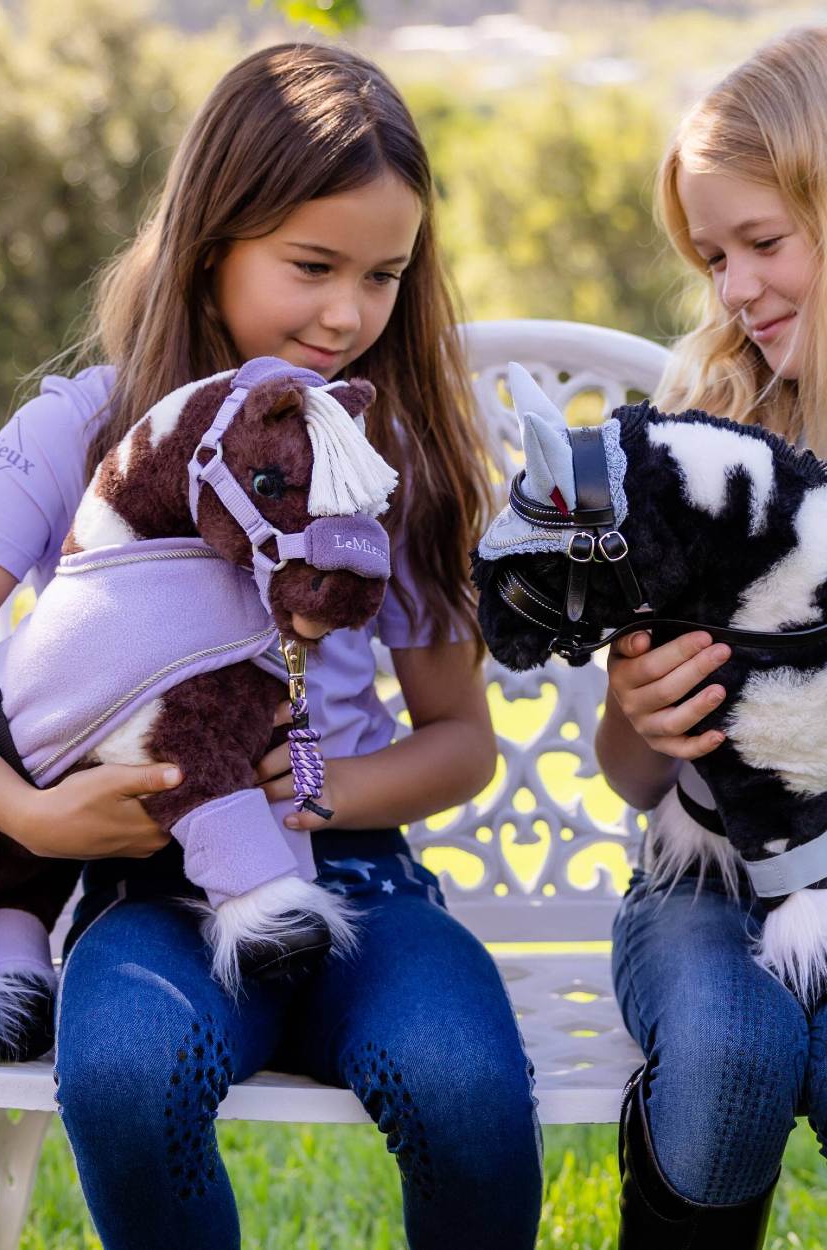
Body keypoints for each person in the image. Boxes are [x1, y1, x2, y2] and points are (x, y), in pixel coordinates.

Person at [0, 43, 543, 1249]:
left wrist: (323, 788)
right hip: (142, 893)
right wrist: (32, 817)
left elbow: (461, 741)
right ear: (212, 240)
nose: (345, 314)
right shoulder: (81, 431)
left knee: (465, 1084)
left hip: (360, 882)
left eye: (382, 275)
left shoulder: (388, 458)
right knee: (123, 1074)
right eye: (310, 266)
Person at [597, 26, 827, 1248]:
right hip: (701, 882)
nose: (734, 288)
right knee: (736, 1052)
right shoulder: (708, 439)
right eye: (712, 255)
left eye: (763, 243)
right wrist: (641, 711)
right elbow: (630, 772)